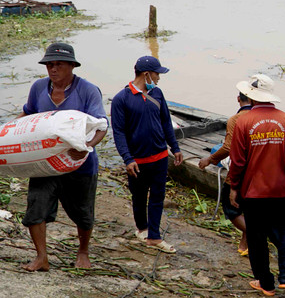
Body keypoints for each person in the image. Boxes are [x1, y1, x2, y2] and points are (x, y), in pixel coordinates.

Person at [17, 42, 108, 272]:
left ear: (72, 66)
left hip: (79, 165)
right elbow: (26, 117)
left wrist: (87, 146)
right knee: (36, 207)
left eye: (58, 64)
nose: (53, 69)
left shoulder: (88, 90)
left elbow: (102, 127)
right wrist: (8, 135)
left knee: (83, 214)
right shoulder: (39, 88)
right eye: (49, 64)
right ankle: (41, 257)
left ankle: (83, 251)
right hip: (45, 164)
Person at [228, 74, 285, 296]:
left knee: (257, 238)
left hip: (254, 192)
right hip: (280, 190)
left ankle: (266, 284)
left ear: (250, 95)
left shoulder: (243, 122)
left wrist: (233, 186)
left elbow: (238, 160)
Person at [111, 56, 183, 254]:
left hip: (160, 157)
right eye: (157, 74)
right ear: (146, 74)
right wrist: (128, 159)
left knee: (158, 196)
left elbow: (166, 122)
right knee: (139, 196)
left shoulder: (157, 93)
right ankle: (142, 229)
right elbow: (118, 132)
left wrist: (175, 148)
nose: (159, 78)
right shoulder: (121, 99)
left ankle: (154, 237)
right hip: (138, 161)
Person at [197, 89, 252, 256]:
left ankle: (255, 234)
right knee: (248, 209)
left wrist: (210, 159)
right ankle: (245, 244)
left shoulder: (236, 120)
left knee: (231, 210)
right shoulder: (262, 118)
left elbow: (228, 147)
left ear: (238, 99)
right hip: (260, 174)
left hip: (241, 172)